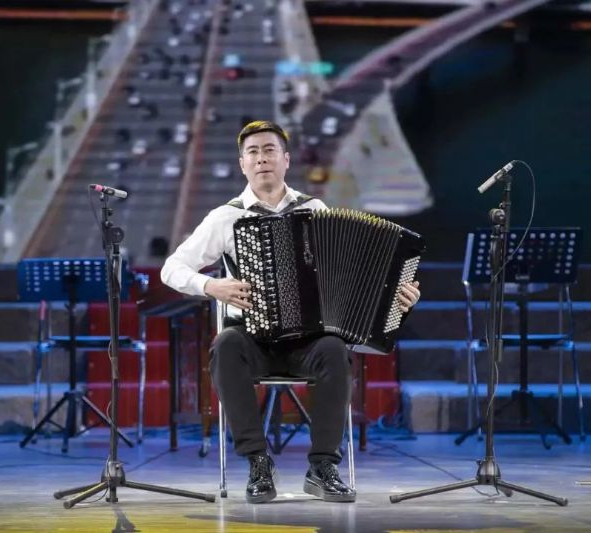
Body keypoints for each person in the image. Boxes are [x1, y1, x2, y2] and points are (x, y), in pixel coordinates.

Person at [161, 120, 420, 504]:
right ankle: (258, 462)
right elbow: (172, 269)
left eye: (269, 150)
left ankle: (323, 466)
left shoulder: (314, 210)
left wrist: (395, 296)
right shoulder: (225, 217)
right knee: (225, 345)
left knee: (334, 349)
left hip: (308, 342)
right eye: (253, 152)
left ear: (285, 159)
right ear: (242, 165)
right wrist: (210, 286)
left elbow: (352, 277)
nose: (261, 159)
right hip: (253, 340)